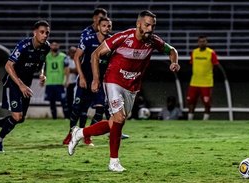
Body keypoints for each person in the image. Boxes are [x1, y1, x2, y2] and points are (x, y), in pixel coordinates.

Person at [68, 10, 180, 172]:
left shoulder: (154, 41)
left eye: (153, 26)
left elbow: (172, 51)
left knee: (115, 123)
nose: (150, 29)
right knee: (119, 118)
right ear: (138, 24)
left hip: (132, 86)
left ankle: (79, 133)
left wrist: (174, 62)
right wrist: (96, 79)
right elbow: (95, 54)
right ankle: (114, 162)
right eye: (147, 25)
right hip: (113, 80)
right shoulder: (123, 37)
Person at [0, 20, 50, 152]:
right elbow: (8, 65)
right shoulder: (23, 45)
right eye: (42, 32)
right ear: (34, 33)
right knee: (17, 116)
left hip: (25, 84)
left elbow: (42, 62)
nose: (45, 35)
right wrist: (21, 85)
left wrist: (42, 74)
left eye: (47, 33)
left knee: (20, 119)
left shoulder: (46, 47)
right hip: (13, 82)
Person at [63, 17, 112, 146]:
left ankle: (87, 135)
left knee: (100, 110)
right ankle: (71, 133)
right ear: (99, 27)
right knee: (77, 108)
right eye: (104, 25)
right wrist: (82, 77)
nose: (107, 28)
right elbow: (76, 57)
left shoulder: (112, 42)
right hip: (85, 79)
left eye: (109, 26)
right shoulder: (89, 39)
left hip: (100, 82)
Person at [186, 35, 219, 120]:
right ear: (198, 42)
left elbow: (216, 66)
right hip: (194, 82)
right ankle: (190, 120)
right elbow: (191, 65)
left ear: (206, 42)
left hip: (206, 83)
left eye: (204, 41)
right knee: (191, 101)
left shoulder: (211, 53)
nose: (202, 43)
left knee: (207, 103)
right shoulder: (194, 52)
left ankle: (205, 121)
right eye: (200, 41)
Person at [43, 41, 70, 119]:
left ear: (58, 46)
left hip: (60, 82)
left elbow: (67, 69)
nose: (54, 46)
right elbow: (44, 69)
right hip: (49, 82)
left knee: (63, 101)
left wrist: (67, 80)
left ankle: (66, 117)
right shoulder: (46, 56)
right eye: (53, 45)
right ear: (50, 46)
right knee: (51, 101)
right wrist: (42, 79)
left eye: (56, 45)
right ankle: (54, 118)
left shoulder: (63, 56)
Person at [65, 46, 77, 115]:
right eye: (72, 52)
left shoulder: (78, 59)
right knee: (69, 99)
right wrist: (73, 70)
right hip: (68, 82)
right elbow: (65, 70)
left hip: (76, 82)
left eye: (74, 52)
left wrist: (70, 70)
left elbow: (77, 70)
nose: (73, 53)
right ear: (69, 52)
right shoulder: (66, 59)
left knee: (75, 99)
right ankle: (69, 114)